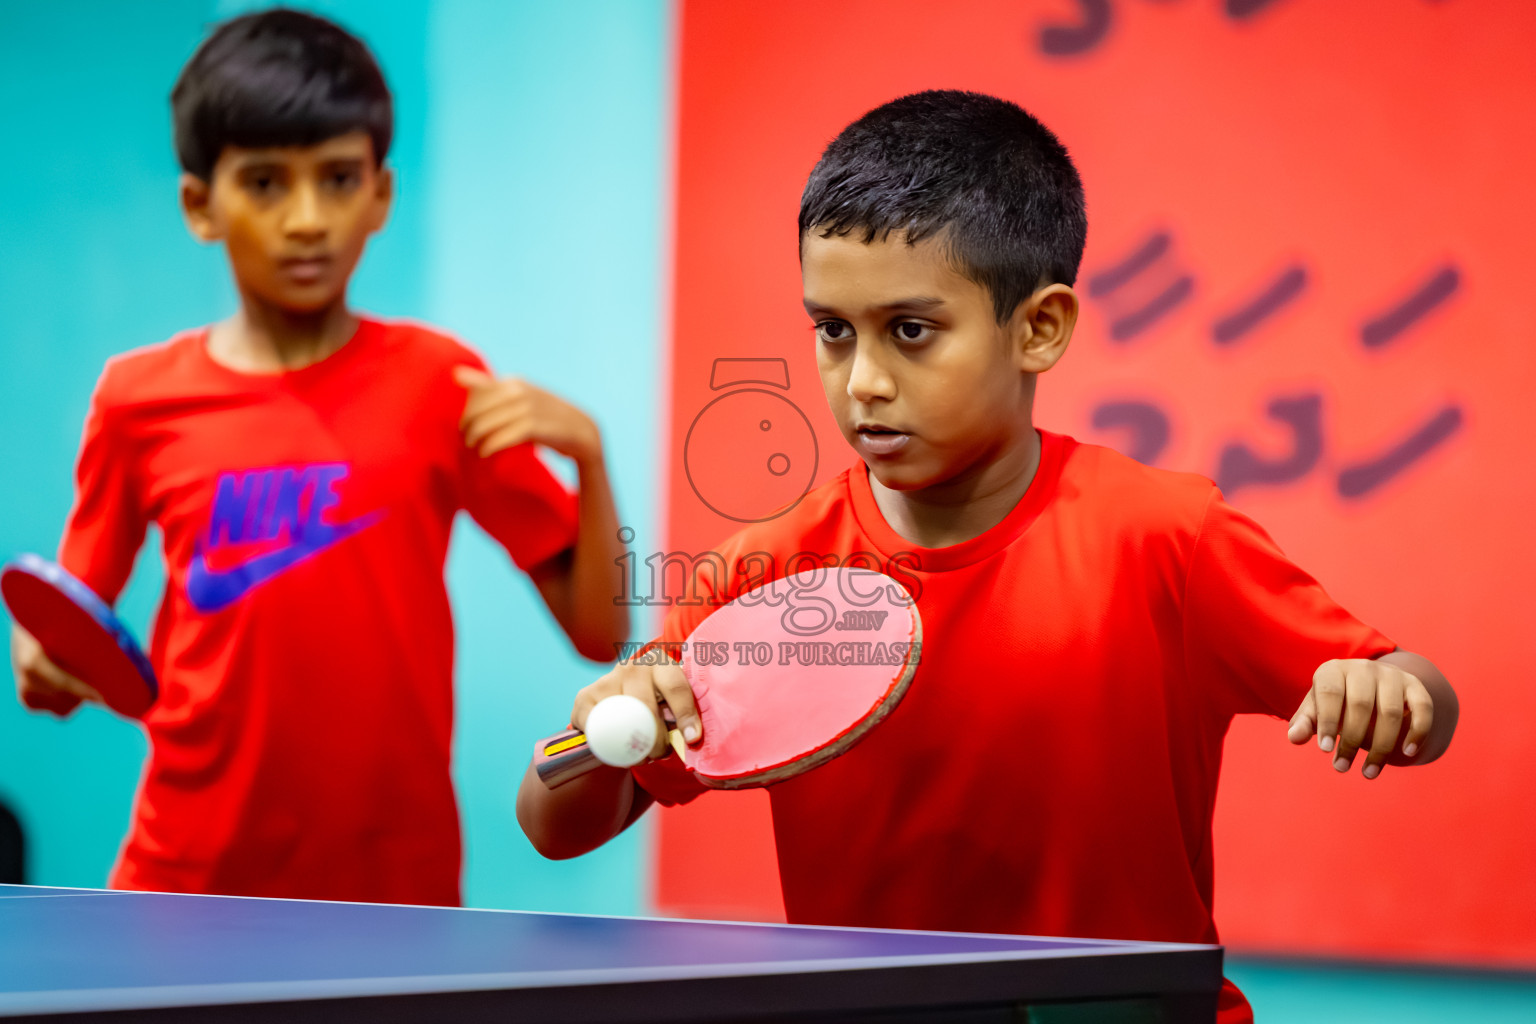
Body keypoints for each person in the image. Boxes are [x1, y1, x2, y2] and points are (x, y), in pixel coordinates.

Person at [514, 90, 1458, 1022]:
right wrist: (604, 718)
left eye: (911, 332)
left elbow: (1417, 699)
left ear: (1039, 328)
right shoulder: (761, 575)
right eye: (832, 333)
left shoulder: (1169, 535)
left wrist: (1388, 692)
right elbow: (552, 819)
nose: (865, 382)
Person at [8, 8, 628, 906]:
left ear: (380, 193)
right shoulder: (135, 397)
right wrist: (42, 663)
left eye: (338, 179)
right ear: (200, 205)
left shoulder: (440, 381)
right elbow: (65, 633)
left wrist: (594, 462)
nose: (307, 220)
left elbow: (600, 633)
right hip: (184, 873)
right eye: (265, 183)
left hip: (392, 881)